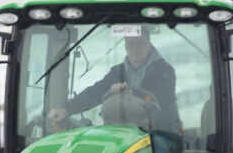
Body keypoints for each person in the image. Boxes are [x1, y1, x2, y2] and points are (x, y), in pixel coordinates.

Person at [48, 26, 180, 135]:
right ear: (125, 47)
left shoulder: (164, 71)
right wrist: (67, 109)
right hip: (123, 131)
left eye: (140, 43)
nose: (135, 49)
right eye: (130, 44)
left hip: (160, 131)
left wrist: (128, 92)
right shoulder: (118, 72)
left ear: (149, 46)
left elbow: (158, 98)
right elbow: (96, 92)